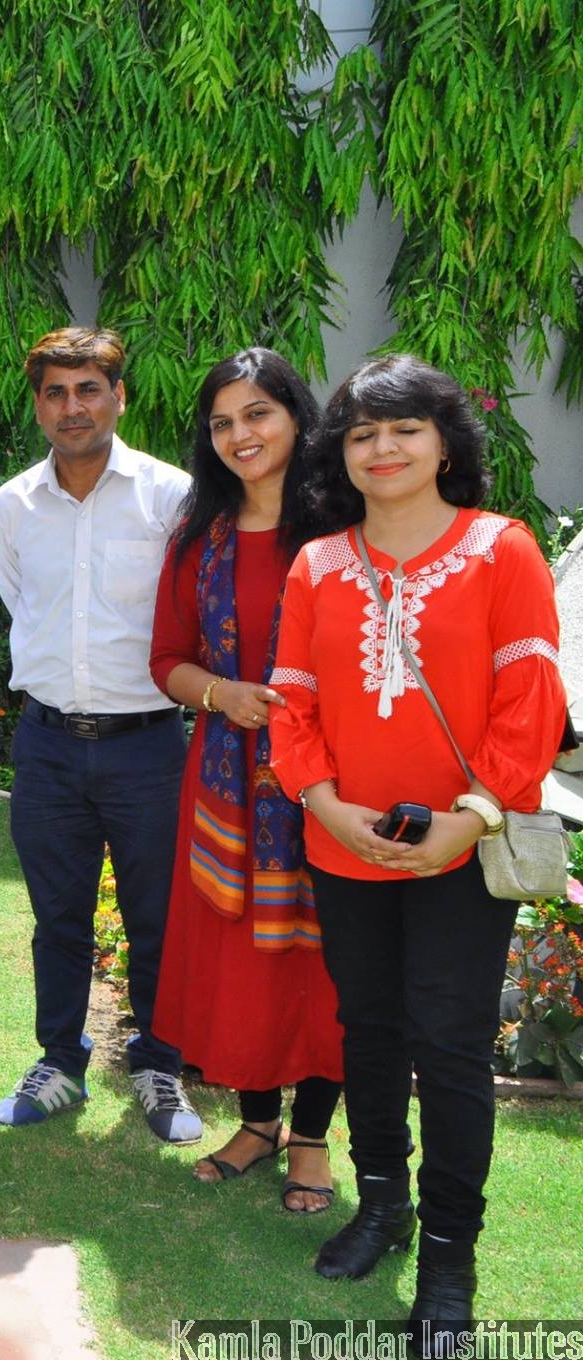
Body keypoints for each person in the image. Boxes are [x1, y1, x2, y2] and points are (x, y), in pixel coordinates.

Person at [270, 355, 565, 1334]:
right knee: (367, 1031)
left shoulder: (501, 550)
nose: (382, 447)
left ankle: (448, 1258)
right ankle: (381, 1209)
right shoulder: (317, 564)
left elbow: (531, 703)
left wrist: (467, 818)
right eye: (361, 433)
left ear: (445, 443)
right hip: (344, 842)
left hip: (461, 851)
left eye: (404, 428)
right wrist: (325, 806)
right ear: (340, 454)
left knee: (448, 1048)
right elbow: (293, 703)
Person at [0, 326, 201, 1143]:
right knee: (59, 919)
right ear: (38, 405)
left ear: (119, 397)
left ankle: (159, 1065)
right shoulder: (13, 505)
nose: (71, 407)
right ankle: (59, 1063)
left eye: (88, 390)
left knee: (158, 918)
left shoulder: (171, 496)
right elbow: (22, 604)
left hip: (148, 746)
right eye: (55, 393)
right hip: (47, 746)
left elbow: (190, 615)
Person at [148, 350, 344, 1211]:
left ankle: (312, 1139)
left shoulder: (346, 527)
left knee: (327, 960)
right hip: (229, 778)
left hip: (334, 782)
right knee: (243, 961)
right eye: (222, 422)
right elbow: (167, 659)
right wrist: (221, 693)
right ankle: (259, 1125)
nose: (241, 435)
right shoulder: (201, 538)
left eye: (258, 413)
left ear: (298, 416)